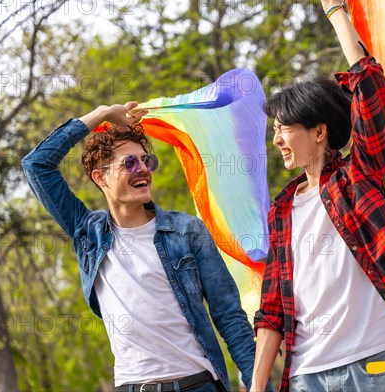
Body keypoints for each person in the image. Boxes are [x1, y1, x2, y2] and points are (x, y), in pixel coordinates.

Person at [251, 0, 385, 391]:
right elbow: (271, 311)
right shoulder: (281, 212)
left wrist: (336, 12)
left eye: (283, 129)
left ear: (319, 132)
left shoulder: (358, 178)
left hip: (372, 364)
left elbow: (370, 92)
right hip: (306, 377)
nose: (277, 141)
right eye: (274, 132)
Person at [22, 103, 272, 392]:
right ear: (100, 177)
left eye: (146, 161)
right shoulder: (89, 234)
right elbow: (36, 165)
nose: (142, 169)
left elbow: (229, 317)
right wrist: (101, 114)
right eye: (129, 163)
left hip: (197, 385)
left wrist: (260, 386)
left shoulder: (187, 231)